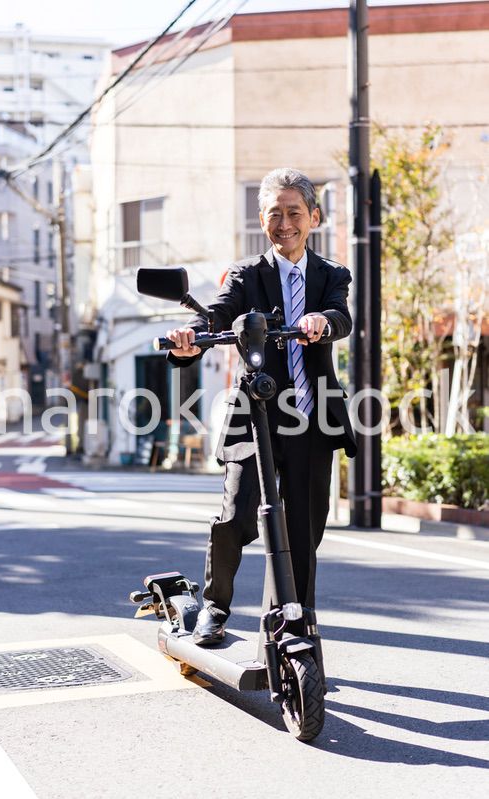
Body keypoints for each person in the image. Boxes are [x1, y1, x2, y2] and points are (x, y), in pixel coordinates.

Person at [167, 167, 356, 650]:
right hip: (254, 420)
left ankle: (294, 621)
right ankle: (215, 606)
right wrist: (192, 338)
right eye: (275, 214)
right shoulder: (247, 275)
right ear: (262, 220)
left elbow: (341, 316)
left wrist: (321, 320)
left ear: (313, 217)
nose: (285, 223)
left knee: (302, 534)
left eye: (295, 213)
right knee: (236, 516)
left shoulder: (332, 275)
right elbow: (217, 315)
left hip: (311, 420)